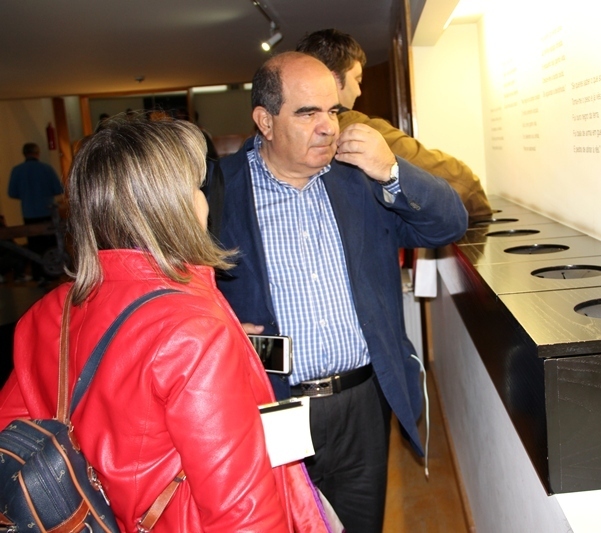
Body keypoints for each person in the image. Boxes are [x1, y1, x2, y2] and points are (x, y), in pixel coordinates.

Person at [0, 116, 328, 532]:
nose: (205, 202)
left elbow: (13, 433)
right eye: (196, 188)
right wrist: (211, 347)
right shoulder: (193, 331)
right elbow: (242, 513)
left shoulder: (49, 311)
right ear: (171, 207)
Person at [207, 51, 467, 532]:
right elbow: (168, 279)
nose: (328, 126)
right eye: (307, 113)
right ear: (265, 121)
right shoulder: (217, 190)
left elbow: (449, 223)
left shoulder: (360, 178)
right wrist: (208, 325)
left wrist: (393, 170)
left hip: (362, 404)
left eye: (332, 110)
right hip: (271, 406)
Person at [297, 28, 493, 219]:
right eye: (357, 80)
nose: (359, 91)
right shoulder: (356, 128)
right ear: (333, 79)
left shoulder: (288, 131)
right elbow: (461, 181)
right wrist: (478, 210)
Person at [7, 142, 64, 281]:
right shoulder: (46, 169)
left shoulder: (17, 170)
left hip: (29, 213)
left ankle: (38, 275)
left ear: (24, 154)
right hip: (47, 212)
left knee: (34, 246)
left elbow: (12, 192)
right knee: (50, 244)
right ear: (37, 153)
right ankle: (52, 274)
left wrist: (27, 195)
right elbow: (58, 189)